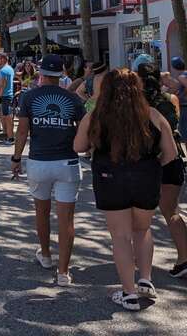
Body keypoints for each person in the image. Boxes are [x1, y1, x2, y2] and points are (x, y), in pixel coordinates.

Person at [74, 69, 177, 311]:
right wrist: (152, 168)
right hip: (146, 178)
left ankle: (129, 293)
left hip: (110, 177)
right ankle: (146, 280)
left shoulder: (96, 116)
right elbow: (171, 154)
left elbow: (78, 146)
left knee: (120, 236)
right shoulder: (152, 114)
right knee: (142, 229)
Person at [12, 55, 85, 286]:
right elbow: (85, 129)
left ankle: (45, 255)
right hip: (67, 162)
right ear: (61, 74)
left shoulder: (29, 97)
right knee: (66, 220)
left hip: (39, 162)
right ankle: (63, 272)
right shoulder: (73, 99)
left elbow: (22, 131)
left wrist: (16, 158)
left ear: (41, 74)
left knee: (41, 212)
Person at [135, 61, 187, 279]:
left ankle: (138, 264)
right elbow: (173, 123)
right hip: (173, 157)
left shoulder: (136, 103)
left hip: (146, 161)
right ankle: (184, 258)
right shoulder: (171, 99)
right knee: (171, 211)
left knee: (137, 216)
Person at [0, 53, 15, 143]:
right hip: (8, 95)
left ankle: (10, 137)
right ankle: (8, 136)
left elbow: (2, 85)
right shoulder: (9, 69)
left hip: (5, 96)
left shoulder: (3, 70)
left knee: (7, 117)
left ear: (3, 59)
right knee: (7, 117)